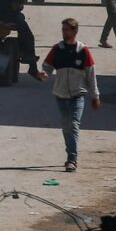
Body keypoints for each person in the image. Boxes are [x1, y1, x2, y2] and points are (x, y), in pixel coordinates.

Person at [40, 18, 100, 173]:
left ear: (75, 31)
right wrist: (44, 73)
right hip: (60, 95)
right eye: (63, 29)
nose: (64, 32)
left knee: (73, 125)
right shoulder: (57, 49)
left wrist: (95, 96)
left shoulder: (83, 51)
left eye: (67, 29)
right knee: (66, 127)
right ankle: (70, 153)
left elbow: (91, 75)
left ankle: (72, 159)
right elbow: (47, 66)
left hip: (77, 95)